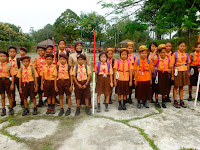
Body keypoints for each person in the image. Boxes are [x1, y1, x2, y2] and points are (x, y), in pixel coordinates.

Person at [170, 41, 190, 108]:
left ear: (185, 47)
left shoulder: (186, 54)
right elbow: (172, 65)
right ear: (178, 46)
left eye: (184, 46)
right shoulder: (175, 54)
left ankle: (181, 100)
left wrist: (188, 72)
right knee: (176, 86)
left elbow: (188, 63)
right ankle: (175, 101)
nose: (182, 47)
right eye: (181, 46)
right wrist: (172, 75)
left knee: (182, 87)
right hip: (177, 71)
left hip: (184, 71)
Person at [153, 44, 171, 108]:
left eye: (164, 52)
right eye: (161, 52)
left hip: (165, 75)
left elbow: (170, 67)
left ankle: (163, 101)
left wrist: (169, 70)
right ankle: (157, 101)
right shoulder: (157, 58)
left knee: (164, 88)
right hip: (158, 75)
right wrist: (155, 51)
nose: (163, 54)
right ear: (159, 53)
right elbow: (152, 59)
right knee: (157, 88)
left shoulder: (168, 59)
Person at [0, 51, 16, 116]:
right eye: (1, 56)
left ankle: (11, 108)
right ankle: (3, 109)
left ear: (7, 58)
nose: (2, 58)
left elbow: (13, 75)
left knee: (9, 95)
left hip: (7, 81)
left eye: (4, 56)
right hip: (0, 81)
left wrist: (12, 84)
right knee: (2, 96)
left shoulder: (9, 65)